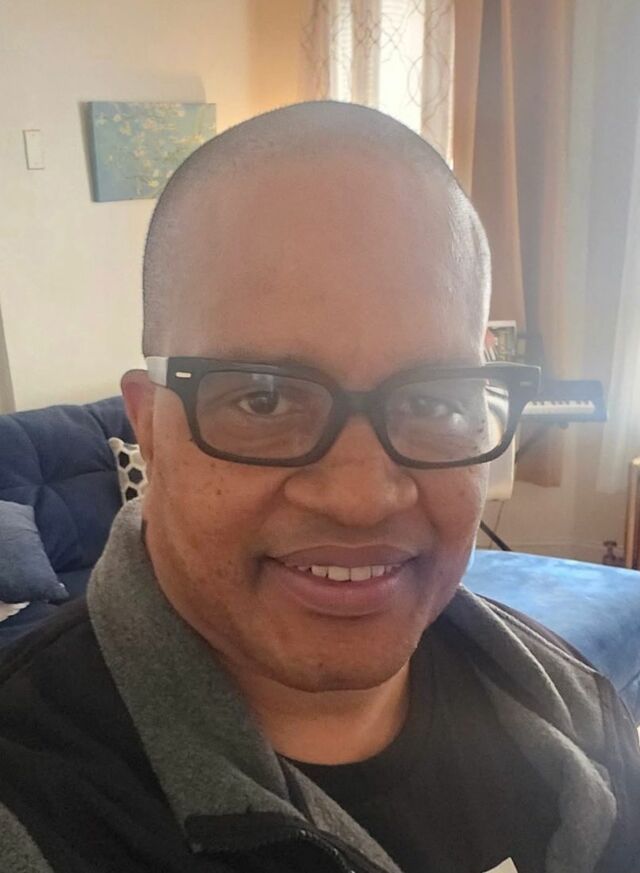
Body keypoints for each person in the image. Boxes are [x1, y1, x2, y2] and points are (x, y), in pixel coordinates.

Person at [0, 102, 638, 873]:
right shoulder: (30, 806)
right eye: (264, 399)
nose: (361, 498)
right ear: (152, 430)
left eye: (435, 400)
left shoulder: (573, 708)